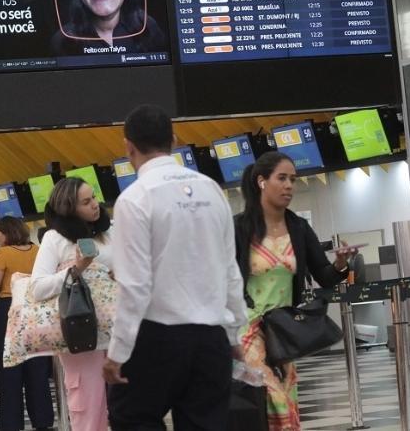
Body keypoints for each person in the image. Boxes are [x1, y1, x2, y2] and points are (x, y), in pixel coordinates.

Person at [104, 105, 249, 430]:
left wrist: (118, 352)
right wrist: (234, 334)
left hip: (157, 337)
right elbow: (230, 271)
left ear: (128, 146)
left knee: (133, 417)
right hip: (211, 338)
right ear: (174, 138)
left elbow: (135, 285)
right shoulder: (212, 190)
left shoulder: (135, 199)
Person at [233, 151, 356, 430]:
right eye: (282, 178)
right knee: (272, 395)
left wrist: (340, 264)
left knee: (288, 396)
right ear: (261, 182)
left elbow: (324, 276)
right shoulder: (239, 228)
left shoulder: (298, 227)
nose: (289, 185)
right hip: (245, 328)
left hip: (282, 329)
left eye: (293, 179)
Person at [30, 177, 114, 431]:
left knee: (129, 404)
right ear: (69, 208)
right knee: (88, 405)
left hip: (120, 329)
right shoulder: (55, 238)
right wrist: (76, 269)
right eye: (86, 202)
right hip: (81, 331)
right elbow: (38, 286)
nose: (94, 205)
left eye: (94, 198)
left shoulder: (109, 232)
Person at [0, 216, 54, 431]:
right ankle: (43, 420)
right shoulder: (38, 250)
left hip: (8, 309)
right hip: (34, 308)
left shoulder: (3, 253)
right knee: (37, 366)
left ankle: (12, 423)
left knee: (10, 368)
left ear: (8, 232)